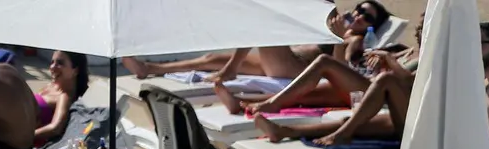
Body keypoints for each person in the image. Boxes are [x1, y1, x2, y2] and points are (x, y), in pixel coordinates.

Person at [122, 2, 392, 83]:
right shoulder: (336, 23)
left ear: (371, 26)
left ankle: (230, 70)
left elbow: (340, 69)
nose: (357, 15)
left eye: (365, 15)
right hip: (281, 62)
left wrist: (337, 39)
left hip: (296, 69)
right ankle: (150, 69)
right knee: (210, 59)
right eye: (358, 9)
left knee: (263, 26)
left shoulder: (353, 39)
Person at [217, 15, 422, 116]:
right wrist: (383, 60)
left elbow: (408, 83)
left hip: (384, 96)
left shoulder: (427, 58)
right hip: (367, 85)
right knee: (305, 94)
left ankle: (269, 104)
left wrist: (389, 59)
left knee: (324, 63)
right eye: (420, 25)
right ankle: (241, 102)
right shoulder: (408, 50)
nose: (419, 28)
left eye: (423, 25)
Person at [34, 51, 89, 146]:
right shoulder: (51, 86)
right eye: (52, 62)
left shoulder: (64, 96)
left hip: (27, 144)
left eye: (60, 63)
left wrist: (24, 136)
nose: (52, 67)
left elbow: (55, 128)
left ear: (75, 71)